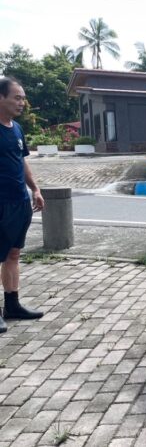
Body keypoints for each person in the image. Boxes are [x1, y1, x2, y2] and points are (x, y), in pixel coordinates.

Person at [0, 77, 45, 334]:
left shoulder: (16, 129)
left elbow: (22, 161)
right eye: (17, 97)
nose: (22, 102)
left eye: (23, 97)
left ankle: (13, 304)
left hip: (19, 202)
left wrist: (35, 189)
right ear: (0, 98)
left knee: (13, 255)